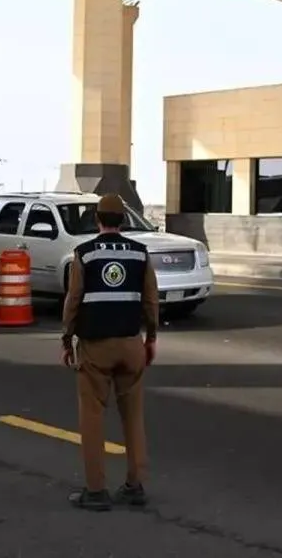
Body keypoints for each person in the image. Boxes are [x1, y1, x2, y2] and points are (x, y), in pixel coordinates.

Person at [61, 194, 159, 511]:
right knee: (134, 417)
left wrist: (67, 339)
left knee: (92, 417)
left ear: (97, 219)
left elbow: (73, 300)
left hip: (96, 347)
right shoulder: (140, 253)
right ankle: (135, 485)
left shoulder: (84, 253)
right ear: (124, 221)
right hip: (131, 344)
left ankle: (96, 490)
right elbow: (151, 301)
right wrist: (150, 339)